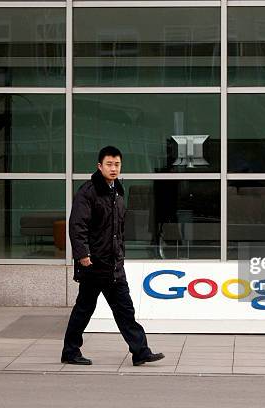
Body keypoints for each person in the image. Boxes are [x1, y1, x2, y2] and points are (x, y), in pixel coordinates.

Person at [61, 146, 164, 366]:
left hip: (114, 263)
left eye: (117, 164)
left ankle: (140, 351)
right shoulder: (88, 191)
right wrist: (83, 255)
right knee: (84, 309)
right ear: (99, 166)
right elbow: (77, 226)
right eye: (109, 164)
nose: (113, 168)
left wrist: (120, 254)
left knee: (125, 309)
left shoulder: (118, 190)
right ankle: (70, 351)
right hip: (94, 263)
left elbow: (118, 228)